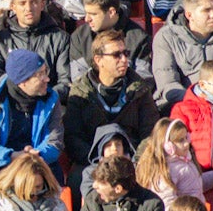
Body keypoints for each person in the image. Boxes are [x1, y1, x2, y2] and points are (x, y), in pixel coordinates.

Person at [65, 30, 157, 173]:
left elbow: (150, 133)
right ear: (98, 60)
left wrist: (137, 161)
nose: (124, 60)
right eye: (116, 55)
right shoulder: (81, 92)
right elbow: (73, 137)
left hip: (133, 161)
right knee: (78, 179)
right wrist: (97, 160)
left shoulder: (140, 89)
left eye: (125, 53)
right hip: (94, 162)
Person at [0, 49, 64, 181]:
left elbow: (55, 142)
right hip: (0, 160)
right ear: (22, 81)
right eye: (40, 74)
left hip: (36, 158)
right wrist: (12, 156)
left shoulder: (51, 99)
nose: (47, 79)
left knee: (54, 173)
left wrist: (37, 155)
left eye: (46, 72)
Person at [152, 0, 213, 109]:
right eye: (206, 10)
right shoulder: (166, 38)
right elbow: (167, 83)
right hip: (182, 107)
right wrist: (198, 102)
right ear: (189, 15)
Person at [0, 0, 73, 95]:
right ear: (13, 7)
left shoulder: (60, 38)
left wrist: (43, 95)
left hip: (47, 102)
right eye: (22, 3)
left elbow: (65, 81)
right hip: (11, 103)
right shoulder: (0, 41)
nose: (29, 8)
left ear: (42, 4)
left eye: (34, 2)